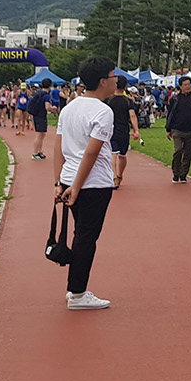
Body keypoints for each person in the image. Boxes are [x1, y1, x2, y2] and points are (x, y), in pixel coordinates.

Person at [52, 58, 119, 311]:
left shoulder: (69, 108)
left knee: (81, 234)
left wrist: (59, 182)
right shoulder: (103, 111)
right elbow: (92, 152)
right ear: (103, 81)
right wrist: (78, 187)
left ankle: (75, 288)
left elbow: (58, 147)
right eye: (113, 76)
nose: (115, 80)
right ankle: (78, 293)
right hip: (93, 183)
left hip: (69, 177)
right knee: (86, 237)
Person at [166, 74, 191, 183]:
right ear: (181, 86)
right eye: (185, 85)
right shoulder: (175, 99)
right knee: (178, 150)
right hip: (176, 130)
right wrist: (168, 129)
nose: (188, 86)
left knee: (188, 153)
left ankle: (183, 174)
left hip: (190, 130)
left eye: (189, 84)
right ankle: (175, 172)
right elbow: (170, 114)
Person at [106, 75, 141, 187]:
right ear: (125, 87)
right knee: (122, 155)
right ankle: (119, 175)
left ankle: (113, 176)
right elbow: (132, 115)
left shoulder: (108, 100)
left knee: (113, 154)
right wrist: (136, 130)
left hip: (110, 130)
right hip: (124, 131)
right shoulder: (128, 101)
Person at [27, 81, 53, 159]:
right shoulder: (46, 96)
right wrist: (53, 108)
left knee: (42, 134)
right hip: (41, 115)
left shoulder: (38, 93)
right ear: (50, 86)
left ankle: (39, 151)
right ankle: (35, 152)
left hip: (36, 114)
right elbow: (47, 107)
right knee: (39, 134)